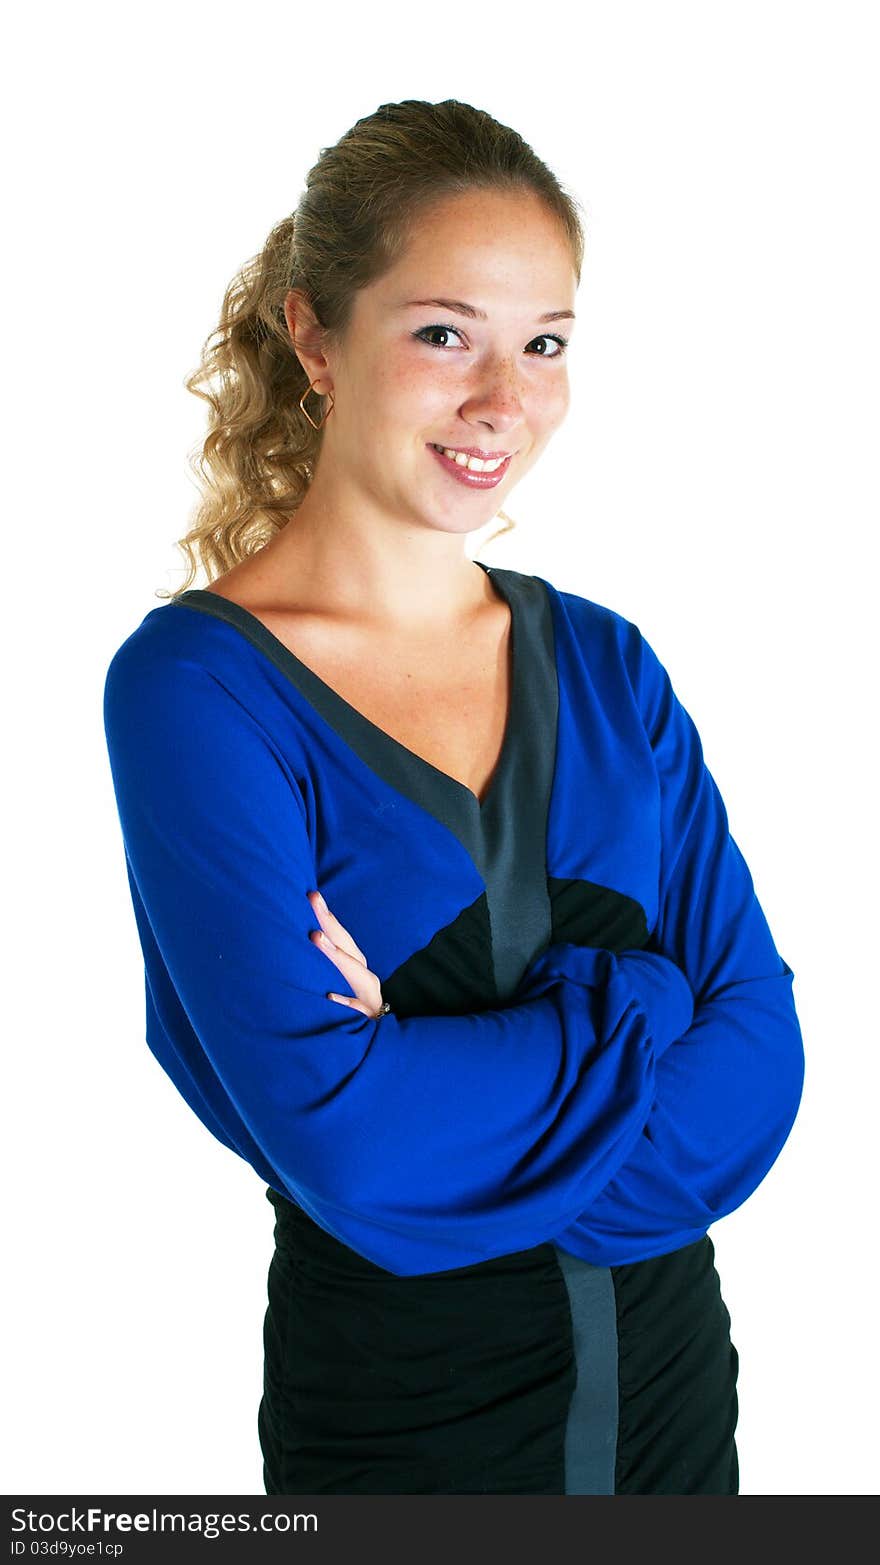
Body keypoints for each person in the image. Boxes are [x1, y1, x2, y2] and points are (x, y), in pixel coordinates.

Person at [102, 98, 805, 1496]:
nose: (507, 397)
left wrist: (445, 1091)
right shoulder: (197, 693)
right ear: (315, 335)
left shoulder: (605, 665)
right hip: (404, 1436)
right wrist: (649, 1005)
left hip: (676, 1416)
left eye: (544, 342)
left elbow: (762, 1080)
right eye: (444, 333)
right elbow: (353, 1151)